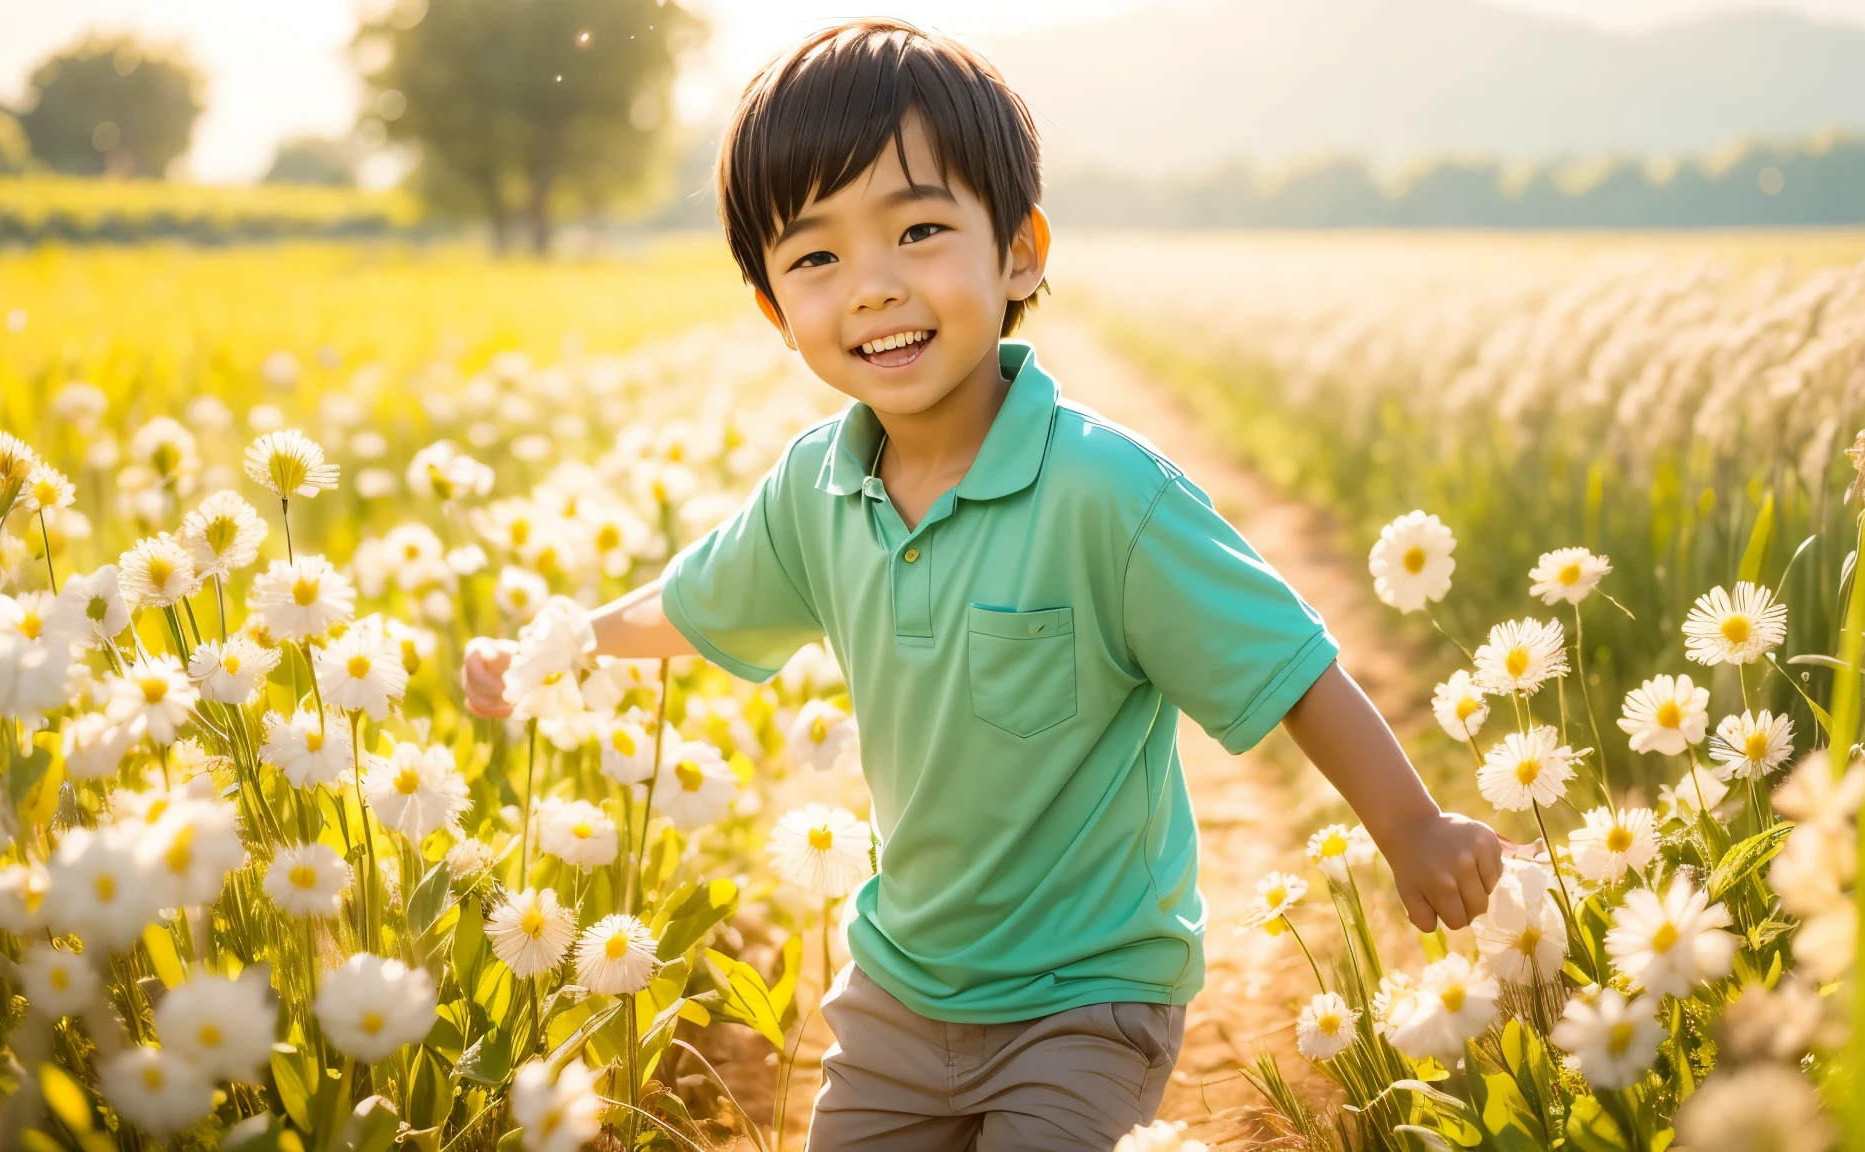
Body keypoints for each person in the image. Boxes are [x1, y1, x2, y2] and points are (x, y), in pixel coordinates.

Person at [464, 18, 1508, 1150]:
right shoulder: (814, 492)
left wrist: (1409, 826)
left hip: (1087, 994)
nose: (869, 288)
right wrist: (562, 649)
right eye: (814, 257)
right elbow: (698, 600)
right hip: (898, 990)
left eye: (915, 231)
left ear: (1018, 251)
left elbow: (1287, 666)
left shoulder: (1106, 493)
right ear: (773, 309)